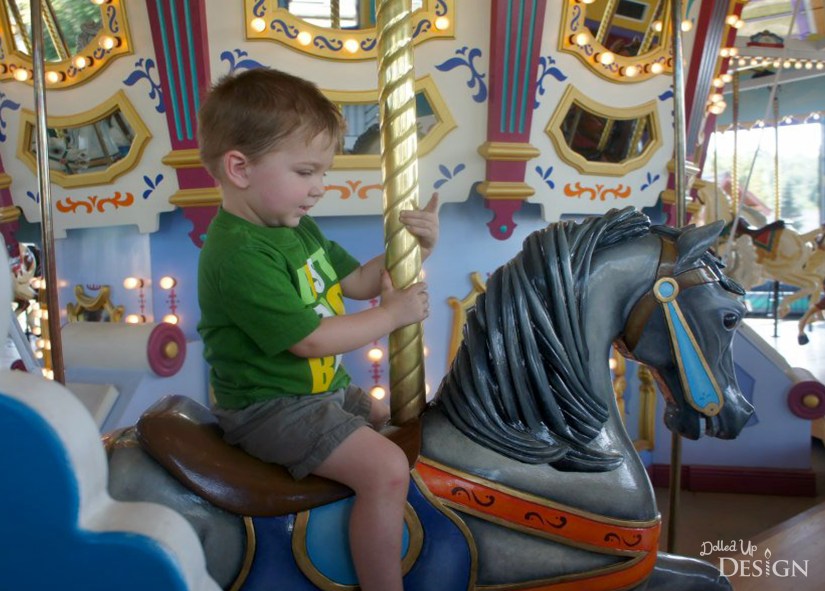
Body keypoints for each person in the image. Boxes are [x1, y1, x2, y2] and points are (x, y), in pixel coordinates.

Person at [196, 67, 439, 591]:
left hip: (319, 393)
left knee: (403, 426)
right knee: (387, 468)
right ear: (239, 167)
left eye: (323, 173)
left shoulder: (296, 228)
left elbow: (356, 279)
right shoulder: (238, 253)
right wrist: (392, 315)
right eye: (306, 172)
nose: (319, 189)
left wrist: (412, 248)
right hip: (269, 407)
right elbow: (309, 340)